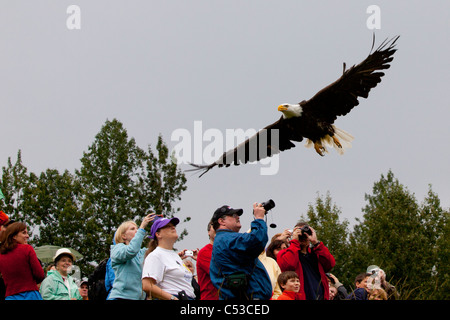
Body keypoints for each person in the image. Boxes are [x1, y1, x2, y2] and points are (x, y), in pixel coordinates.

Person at [209, 203, 272, 300]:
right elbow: (256, 241)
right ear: (221, 221)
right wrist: (259, 219)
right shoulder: (226, 238)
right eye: (233, 215)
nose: (238, 217)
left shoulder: (224, 239)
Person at [277, 222, 335, 300]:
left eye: (306, 233)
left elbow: (330, 264)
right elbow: (289, 265)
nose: (303, 236)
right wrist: (294, 241)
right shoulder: (285, 253)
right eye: (299, 232)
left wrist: (316, 243)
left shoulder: (316, 253)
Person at [142, 216, 195, 300]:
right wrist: (172, 298)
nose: (173, 227)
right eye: (167, 226)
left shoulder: (175, 256)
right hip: (175, 297)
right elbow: (147, 285)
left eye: (173, 225)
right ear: (158, 234)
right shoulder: (155, 255)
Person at [107, 213, 155, 300]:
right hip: (120, 297)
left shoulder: (142, 252)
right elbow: (131, 251)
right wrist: (142, 227)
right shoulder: (117, 249)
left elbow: (156, 256)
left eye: (137, 228)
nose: (137, 231)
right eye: (133, 229)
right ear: (123, 236)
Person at [0, 222, 45, 300]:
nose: (27, 236)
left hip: (10, 296)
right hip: (30, 295)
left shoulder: (1, 255)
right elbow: (40, 275)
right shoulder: (27, 249)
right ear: (14, 236)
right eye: (24, 233)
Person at [196, 220, 219, 300]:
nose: (217, 228)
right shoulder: (204, 252)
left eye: (219, 225)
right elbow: (220, 273)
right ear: (209, 232)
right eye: (214, 225)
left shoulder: (228, 250)